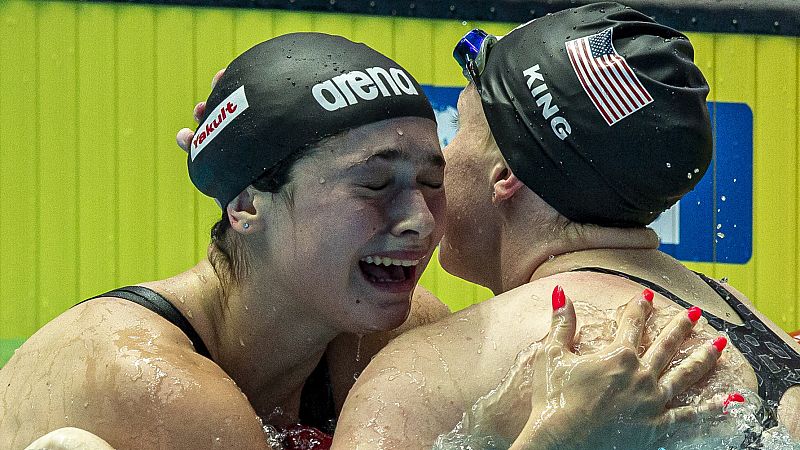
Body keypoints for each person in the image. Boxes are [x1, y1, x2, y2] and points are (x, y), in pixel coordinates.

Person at [5, 25, 720, 450]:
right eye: (374, 185)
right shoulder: (149, 381)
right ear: (249, 204)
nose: (416, 219)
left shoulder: (395, 335)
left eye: (433, 179)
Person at [333, 2, 800, 449]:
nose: (443, 160)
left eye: (456, 130)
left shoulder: (433, 372)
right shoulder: (756, 331)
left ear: (506, 177)